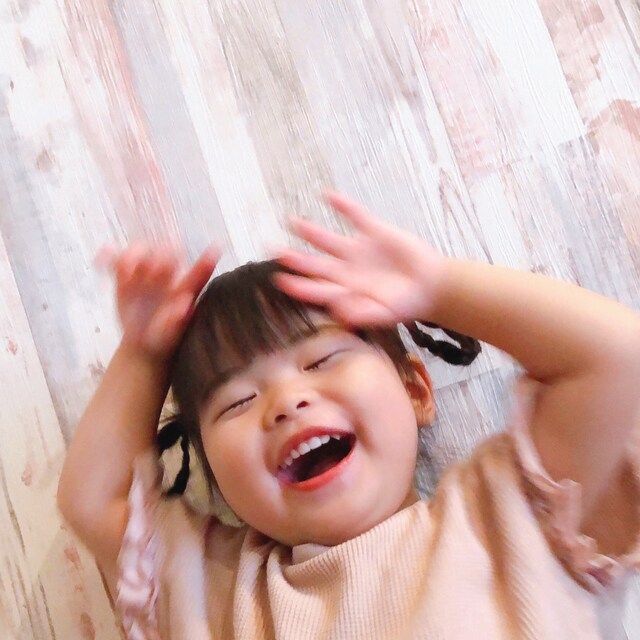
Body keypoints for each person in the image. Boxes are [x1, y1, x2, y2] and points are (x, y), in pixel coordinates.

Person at [57, 191, 640, 639]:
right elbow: (92, 502)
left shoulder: (510, 515)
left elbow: (617, 359)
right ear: (216, 478)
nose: (286, 403)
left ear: (415, 389)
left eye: (322, 361)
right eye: (237, 402)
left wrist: (440, 288)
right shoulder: (218, 592)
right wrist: (144, 355)